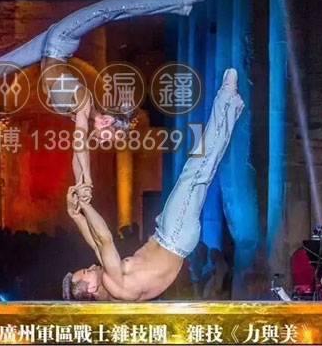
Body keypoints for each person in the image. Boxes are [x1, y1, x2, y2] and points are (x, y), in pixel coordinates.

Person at [0, 0, 211, 189]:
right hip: (61, 41)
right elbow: (80, 147)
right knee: (112, 6)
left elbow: (77, 153)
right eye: (109, 137)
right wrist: (88, 180)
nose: (104, 141)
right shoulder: (83, 104)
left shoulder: (80, 114)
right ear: (107, 121)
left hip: (45, 50)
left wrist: (81, 182)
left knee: (7, 64)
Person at [62, 69, 244, 301]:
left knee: (200, 170)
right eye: (86, 272)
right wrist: (86, 206)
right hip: (173, 237)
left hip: (170, 236)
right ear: (90, 289)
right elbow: (104, 238)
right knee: (197, 170)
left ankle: (231, 105)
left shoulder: (115, 290)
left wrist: (76, 216)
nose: (90, 266)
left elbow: (96, 244)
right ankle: (228, 99)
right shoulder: (114, 284)